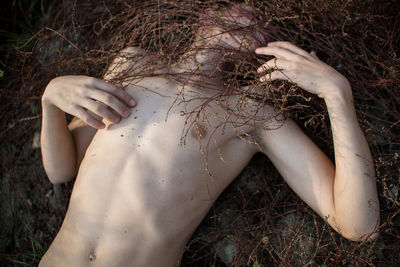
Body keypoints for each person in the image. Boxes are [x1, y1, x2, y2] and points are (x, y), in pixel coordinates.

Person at [39, 5, 379, 267]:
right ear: (206, 14)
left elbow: (358, 226)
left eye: (269, 23)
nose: (254, 17)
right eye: (240, 5)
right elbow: (62, 170)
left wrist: (336, 93)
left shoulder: (252, 112)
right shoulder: (130, 65)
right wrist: (51, 99)